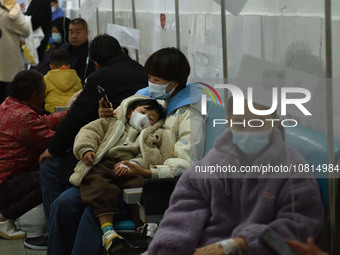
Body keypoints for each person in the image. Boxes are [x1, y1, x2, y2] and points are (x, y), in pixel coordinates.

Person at [47, 47, 205, 255]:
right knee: (62, 204)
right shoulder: (142, 97)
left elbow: (185, 162)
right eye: (149, 77)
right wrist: (105, 114)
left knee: (93, 212)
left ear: (174, 83)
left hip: (141, 179)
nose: (150, 84)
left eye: (156, 80)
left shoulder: (189, 114)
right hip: (105, 169)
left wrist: (146, 172)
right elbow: (114, 122)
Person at [143, 97, 324, 255]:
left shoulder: (293, 169)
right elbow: (183, 213)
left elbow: (298, 227)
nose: (248, 130)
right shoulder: (214, 163)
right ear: (228, 122)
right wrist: (168, 248)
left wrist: (240, 243)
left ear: (274, 122)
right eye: (240, 123)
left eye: (258, 123)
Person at [26, 34, 148, 250]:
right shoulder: (141, 71)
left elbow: (77, 117)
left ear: (96, 62)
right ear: (121, 51)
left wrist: (52, 149)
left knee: (51, 167)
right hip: (114, 147)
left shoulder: (101, 77)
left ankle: (52, 232)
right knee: (68, 199)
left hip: (112, 158)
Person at [71, 95, 169, 254]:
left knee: (140, 187)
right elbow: (88, 132)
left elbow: (155, 156)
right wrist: (86, 149)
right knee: (100, 187)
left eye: (151, 119)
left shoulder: (152, 135)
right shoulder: (110, 123)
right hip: (103, 163)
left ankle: (143, 228)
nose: (145, 119)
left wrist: (135, 164)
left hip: (130, 169)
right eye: (142, 112)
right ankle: (108, 232)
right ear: (130, 113)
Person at [0, 70, 66, 240]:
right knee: (49, 174)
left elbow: (42, 121)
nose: (45, 95)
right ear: (35, 94)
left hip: (6, 178)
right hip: (4, 185)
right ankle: (2, 218)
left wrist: (70, 113)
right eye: (44, 91)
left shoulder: (9, 105)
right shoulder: (24, 116)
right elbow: (54, 141)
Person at [0, 0, 30, 103]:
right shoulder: (10, 15)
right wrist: (18, 13)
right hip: (9, 62)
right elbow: (26, 30)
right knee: (8, 97)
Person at [44, 48, 82, 113]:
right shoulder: (76, 78)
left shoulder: (46, 78)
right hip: (71, 111)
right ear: (69, 66)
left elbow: (42, 95)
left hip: (52, 112)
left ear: (51, 66)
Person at [66, 18, 96, 84]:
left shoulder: (91, 53)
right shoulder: (65, 51)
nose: (74, 36)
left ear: (87, 33)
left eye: (78, 32)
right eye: (71, 32)